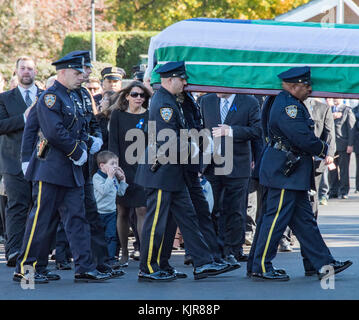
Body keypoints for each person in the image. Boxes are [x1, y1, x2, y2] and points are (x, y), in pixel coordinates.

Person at [13, 54, 110, 284]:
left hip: (71, 169)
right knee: (42, 220)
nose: (81, 77)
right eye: (77, 73)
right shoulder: (50, 97)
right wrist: (78, 152)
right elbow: (54, 131)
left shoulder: (73, 97)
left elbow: (76, 128)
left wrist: (88, 141)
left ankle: (84, 267)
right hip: (51, 168)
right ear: (63, 72)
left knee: (78, 218)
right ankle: (27, 270)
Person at [250, 66, 352, 281]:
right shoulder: (289, 107)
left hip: (289, 171)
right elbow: (302, 137)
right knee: (275, 219)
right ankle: (261, 266)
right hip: (284, 172)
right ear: (294, 85)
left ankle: (324, 263)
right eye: (306, 85)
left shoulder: (288, 102)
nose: (310, 89)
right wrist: (324, 149)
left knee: (305, 221)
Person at [135, 61, 231, 281]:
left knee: (187, 218)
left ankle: (201, 263)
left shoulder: (174, 100)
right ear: (169, 79)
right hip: (161, 171)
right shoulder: (163, 103)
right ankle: (148, 268)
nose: (185, 82)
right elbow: (167, 137)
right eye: (182, 79)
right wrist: (194, 147)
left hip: (174, 171)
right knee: (156, 222)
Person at [200, 92, 262, 264]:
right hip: (211, 164)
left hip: (237, 164)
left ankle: (234, 249)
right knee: (213, 209)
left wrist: (231, 131)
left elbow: (257, 130)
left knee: (235, 209)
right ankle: (215, 251)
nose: (218, 90)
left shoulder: (249, 101)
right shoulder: (206, 100)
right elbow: (201, 130)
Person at [0, 56, 40, 267]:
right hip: (13, 162)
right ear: (16, 72)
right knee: (17, 207)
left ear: (35, 72)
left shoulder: (45, 96)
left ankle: (38, 252)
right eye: (23, 68)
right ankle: (14, 251)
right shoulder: (4, 98)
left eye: (30, 69)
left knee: (41, 207)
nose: (27, 72)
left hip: (42, 161)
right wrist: (24, 118)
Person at [109, 80, 151, 266]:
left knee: (142, 209)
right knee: (123, 211)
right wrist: (114, 167)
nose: (138, 98)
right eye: (134, 94)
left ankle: (143, 252)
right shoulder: (117, 115)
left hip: (143, 168)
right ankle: (124, 252)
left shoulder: (150, 115)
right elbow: (113, 142)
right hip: (123, 167)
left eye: (142, 95)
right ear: (126, 96)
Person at [93, 151, 128, 263]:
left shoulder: (112, 178)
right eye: (112, 163)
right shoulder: (97, 177)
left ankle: (111, 260)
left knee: (111, 237)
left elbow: (120, 193)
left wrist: (122, 180)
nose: (115, 166)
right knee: (99, 238)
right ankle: (99, 260)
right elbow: (104, 191)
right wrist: (110, 177)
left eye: (116, 164)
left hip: (111, 213)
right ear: (102, 165)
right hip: (99, 213)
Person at [304, 98, 336, 216]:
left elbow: (329, 133)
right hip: (296, 159)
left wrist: (329, 153)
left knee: (312, 194)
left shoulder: (323, 108)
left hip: (316, 160)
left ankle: (310, 226)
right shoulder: (293, 105)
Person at [327, 98, 355, 199]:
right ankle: (333, 190)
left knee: (344, 169)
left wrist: (350, 144)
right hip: (331, 146)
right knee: (332, 169)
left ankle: (344, 191)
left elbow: (351, 128)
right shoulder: (329, 110)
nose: (334, 99)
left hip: (343, 144)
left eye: (336, 97)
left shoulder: (347, 110)